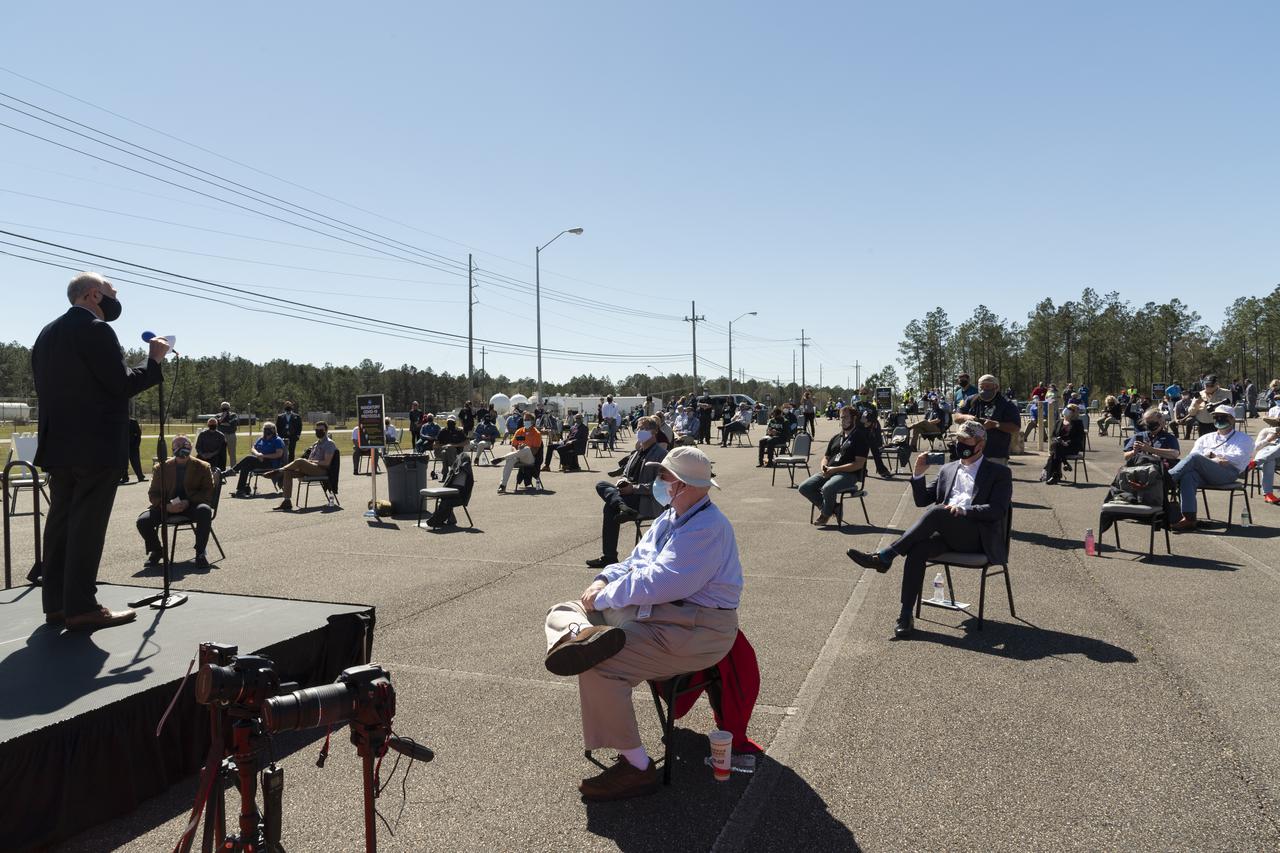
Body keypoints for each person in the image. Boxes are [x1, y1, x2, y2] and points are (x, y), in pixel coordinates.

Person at [543, 446, 740, 802]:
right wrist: (603, 579)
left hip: (696, 628)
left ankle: (636, 766)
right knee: (562, 608)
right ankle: (581, 636)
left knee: (599, 666)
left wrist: (603, 598)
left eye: (664, 476)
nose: (658, 481)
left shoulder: (707, 527)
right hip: (659, 614)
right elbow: (635, 563)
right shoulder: (671, 517)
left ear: (683, 485)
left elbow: (663, 581)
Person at [33, 271, 167, 629]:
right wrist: (153, 361)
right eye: (111, 291)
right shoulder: (97, 329)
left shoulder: (47, 334)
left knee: (60, 523)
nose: (115, 297)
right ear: (93, 295)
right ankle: (82, 608)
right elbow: (119, 383)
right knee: (87, 527)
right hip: (94, 447)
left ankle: (57, 604)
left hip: (58, 446)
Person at [846, 421, 1012, 638]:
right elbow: (922, 500)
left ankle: (886, 555)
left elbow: (997, 510)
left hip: (977, 537)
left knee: (938, 512)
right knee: (918, 549)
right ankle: (905, 615)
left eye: (965, 440)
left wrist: (965, 510)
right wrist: (918, 475)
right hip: (946, 534)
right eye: (958, 439)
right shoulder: (948, 469)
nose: (959, 443)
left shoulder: (999, 472)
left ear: (980, 444)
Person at [585, 418, 667, 568]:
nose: (639, 432)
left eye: (643, 429)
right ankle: (622, 506)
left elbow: (661, 486)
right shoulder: (637, 453)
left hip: (644, 500)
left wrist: (633, 489)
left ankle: (609, 556)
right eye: (638, 429)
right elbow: (626, 475)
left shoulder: (661, 454)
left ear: (654, 432)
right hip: (626, 495)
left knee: (609, 508)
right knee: (601, 484)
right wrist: (622, 482)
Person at [1169, 405, 1254, 531]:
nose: (1219, 419)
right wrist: (1214, 458)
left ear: (1232, 419)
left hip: (1228, 473)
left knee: (1196, 458)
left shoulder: (1244, 439)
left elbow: (1239, 457)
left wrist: (1212, 456)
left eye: (1223, 417)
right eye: (1216, 417)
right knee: (1188, 476)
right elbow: (1193, 455)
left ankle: (1166, 480)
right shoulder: (1206, 438)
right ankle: (1189, 519)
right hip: (1204, 472)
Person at [136, 435, 215, 568]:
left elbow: (208, 492)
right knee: (143, 521)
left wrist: (188, 502)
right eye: (177, 446)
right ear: (172, 449)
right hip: (167, 506)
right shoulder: (160, 468)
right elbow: (153, 494)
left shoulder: (203, 467)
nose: (181, 448)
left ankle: (200, 553)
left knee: (205, 511)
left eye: (185, 445)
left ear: (191, 447)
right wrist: (165, 506)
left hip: (192, 506)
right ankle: (157, 551)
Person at [797, 405, 870, 525]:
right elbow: (826, 457)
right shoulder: (836, 437)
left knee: (828, 488)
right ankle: (834, 508)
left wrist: (835, 469)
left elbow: (859, 464)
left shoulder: (860, 437)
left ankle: (825, 514)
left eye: (846, 418)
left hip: (848, 474)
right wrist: (824, 467)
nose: (843, 421)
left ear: (854, 419)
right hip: (829, 471)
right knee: (804, 487)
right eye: (841, 418)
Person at [262, 421, 338, 511]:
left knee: (300, 461)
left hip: (321, 470)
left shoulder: (329, 444)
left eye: (320, 430)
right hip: (310, 468)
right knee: (288, 472)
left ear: (326, 430)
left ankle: (278, 471)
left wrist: (309, 461)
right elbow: (309, 459)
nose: (318, 432)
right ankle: (287, 501)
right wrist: (307, 461)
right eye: (316, 430)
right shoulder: (316, 444)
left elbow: (326, 463)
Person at [952, 374, 1020, 465]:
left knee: (995, 478)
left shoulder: (1006, 404)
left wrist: (995, 424)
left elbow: (1015, 427)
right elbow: (956, 416)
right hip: (970, 452)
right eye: (981, 386)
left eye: (987, 386)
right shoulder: (971, 400)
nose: (984, 389)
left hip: (995, 453)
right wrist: (966, 417)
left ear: (996, 387)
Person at [229, 423, 286, 496]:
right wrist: (258, 454)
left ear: (273, 430)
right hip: (259, 460)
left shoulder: (277, 440)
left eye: (268, 429)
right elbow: (253, 448)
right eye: (265, 429)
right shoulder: (261, 439)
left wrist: (263, 456)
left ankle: (233, 471)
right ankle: (240, 490)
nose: (266, 430)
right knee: (245, 467)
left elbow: (279, 454)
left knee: (248, 458)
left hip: (271, 463)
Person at [494, 413, 543, 493]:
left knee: (526, 449)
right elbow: (513, 446)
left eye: (527, 420)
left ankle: (503, 457)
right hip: (517, 455)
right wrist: (518, 450)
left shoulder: (536, 434)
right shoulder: (519, 431)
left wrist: (524, 448)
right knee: (510, 460)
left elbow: (535, 451)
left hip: (529, 458)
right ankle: (502, 485)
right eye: (524, 420)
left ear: (532, 421)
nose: (525, 421)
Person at [424, 451, 474, 528]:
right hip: (453, 493)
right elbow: (447, 485)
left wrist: (458, 466)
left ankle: (435, 520)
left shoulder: (464, 470)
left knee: (446, 501)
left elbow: (464, 466)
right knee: (444, 499)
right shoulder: (454, 471)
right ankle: (443, 519)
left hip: (460, 496)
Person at [1039, 405, 1084, 485]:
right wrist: (1058, 440)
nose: (1066, 410)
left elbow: (1079, 438)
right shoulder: (1059, 422)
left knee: (1054, 453)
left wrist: (1067, 443)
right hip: (1059, 446)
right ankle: (1061, 468)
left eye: (1070, 409)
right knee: (1057, 445)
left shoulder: (1078, 423)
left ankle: (1056, 474)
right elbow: (1052, 436)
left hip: (1071, 447)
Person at [1253, 401, 1280, 505]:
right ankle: (1268, 494)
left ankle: (1254, 463)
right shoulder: (1266, 431)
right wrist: (1268, 440)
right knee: (1269, 461)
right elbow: (1255, 449)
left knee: (1266, 459)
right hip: (1269, 459)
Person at [120, 417, 145, 484]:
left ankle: (140, 477)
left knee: (136, 462)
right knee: (123, 462)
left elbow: (138, 433)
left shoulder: (133, 422)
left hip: (133, 445)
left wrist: (137, 444)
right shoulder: (120, 422)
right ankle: (125, 478)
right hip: (123, 445)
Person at [215, 401, 238, 466]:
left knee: (232, 453)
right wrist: (223, 417)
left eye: (226, 407)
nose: (225, 409)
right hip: (220, 436)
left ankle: (233, 468)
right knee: (220, 452)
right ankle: (221, 468)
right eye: (223, 407)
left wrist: (222, 423)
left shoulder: (233, 415)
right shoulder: (217, 415)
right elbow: (217, 423)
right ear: (221, 408)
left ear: (229, 408)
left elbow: (232, 423)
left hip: (231, 435)